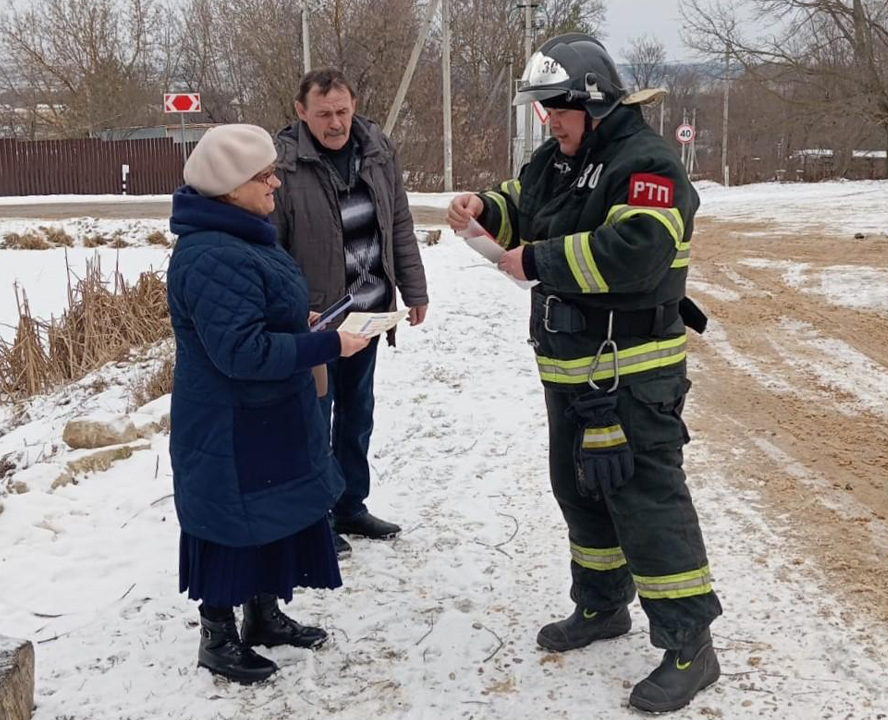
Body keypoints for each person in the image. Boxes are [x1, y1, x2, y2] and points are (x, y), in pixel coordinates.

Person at [445, 34, 723, 713]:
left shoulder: (646, 162)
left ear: (593, 102)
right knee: (580, 491)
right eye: (542, 111)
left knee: (646, 502)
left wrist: (538, 261)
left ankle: (690, 644)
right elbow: (523, 198)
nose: (549, 122)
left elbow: (637, 253)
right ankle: (602, 607)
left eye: (557, 110)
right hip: (570, 369)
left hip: (633, 372)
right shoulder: (561, 157)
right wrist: (485, 209)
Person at [167, 123, 370, 683]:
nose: (276, 183)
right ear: (232, 186)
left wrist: (303, 323)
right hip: (229, 422)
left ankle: (262, 615)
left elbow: (256, 317)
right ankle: (218, 637)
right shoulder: (211, 253)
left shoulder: (242, 235)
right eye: (264, 175)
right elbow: (240, 351)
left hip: (264, 413)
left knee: (267, 514)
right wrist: (328, 343)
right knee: (231, 521)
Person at [271, 68, 429, 553]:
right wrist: (290, 313)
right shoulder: (283, 162)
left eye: (342, 111)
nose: (335, 123)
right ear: (301, 112)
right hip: (317, 321)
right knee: (313, 418)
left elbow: (397, 218)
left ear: (354, 105)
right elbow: (272, 247)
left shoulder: (377, 149)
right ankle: (312, 518)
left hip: (369, 314)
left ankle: (349, 507)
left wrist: (413, 287)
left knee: (357, 414)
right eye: (323, 114)